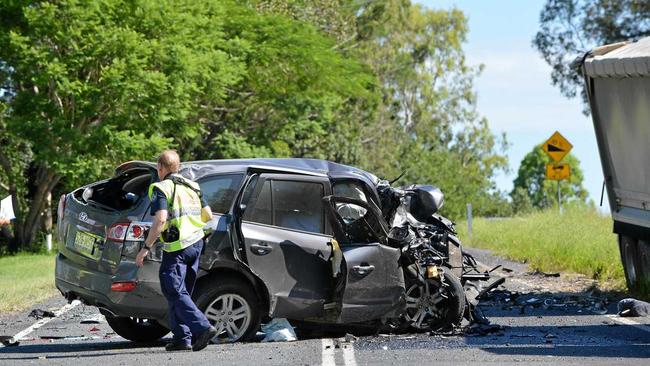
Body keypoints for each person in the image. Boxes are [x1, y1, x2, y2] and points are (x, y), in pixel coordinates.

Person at [135, 150, 217, 352]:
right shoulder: (193, 186)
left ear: (160, 168)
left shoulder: (161, 188)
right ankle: (182, 338)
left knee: (173, 289)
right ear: (178, 167)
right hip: (196, 244)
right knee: (180, 293)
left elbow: (161, 219)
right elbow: (208, 215)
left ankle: (203, 327)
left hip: (178, 248)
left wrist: (145, 248)